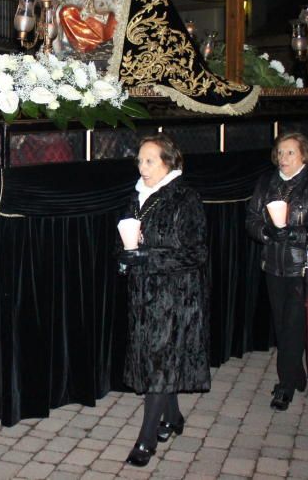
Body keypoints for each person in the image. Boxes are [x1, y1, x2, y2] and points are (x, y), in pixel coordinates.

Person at [119, 134, 210, 467]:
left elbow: (197, 252)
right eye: (140, 161)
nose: (142, 167)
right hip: (143, 294)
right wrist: (127, 257)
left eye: (150, 161)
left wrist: (149, 258)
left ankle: (145, 441)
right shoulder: (138, 196)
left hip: (176, 295)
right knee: (158, 359)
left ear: (168, 162)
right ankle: (172, 418)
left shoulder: (185, 198)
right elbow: (129, 240)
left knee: (159, 364)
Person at [246, 132, 308, 411]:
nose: (283, 158)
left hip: (305, 267)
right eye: (280, 152)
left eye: (290, 152)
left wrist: (295, 234)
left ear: (304, 155)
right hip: (274, 264)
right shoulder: (267, 182)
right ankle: (296, 374)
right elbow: (251, 218)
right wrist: (267, 232)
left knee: (294, 324)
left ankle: (285, 385)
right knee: (281, 323)